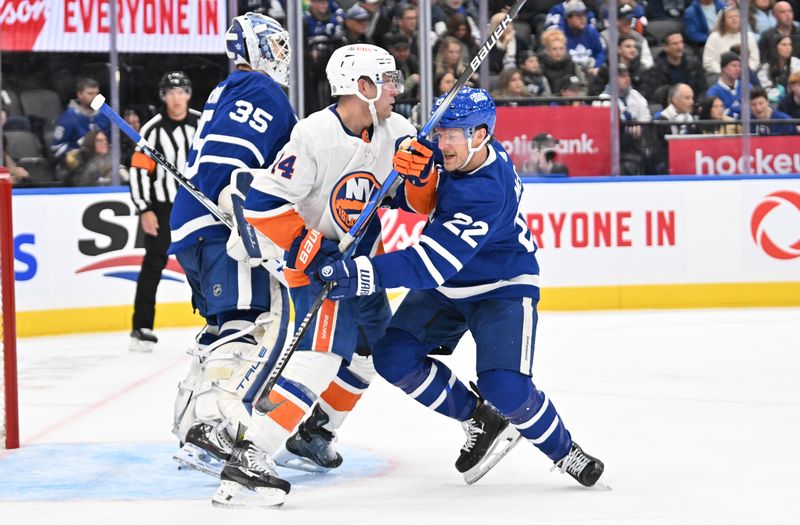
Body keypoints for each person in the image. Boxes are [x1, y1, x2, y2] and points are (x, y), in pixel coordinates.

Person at [315, 87, 605, 488]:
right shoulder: (464, 152)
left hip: (501, 285)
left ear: (482, 134)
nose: (442, 142)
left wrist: (360, 273)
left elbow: (428, 264)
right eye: (441, 132)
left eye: (454, 134)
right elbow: (422, 194)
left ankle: (564, 451)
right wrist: (417, 171)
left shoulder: (485, 190)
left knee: (505, 386)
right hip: (451, 285)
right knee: (393, 357)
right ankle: (479, 419)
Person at [227, 44, 416, 508]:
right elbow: (261, 204)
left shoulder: (400, 131)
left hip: (358, 268)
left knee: (374, 353)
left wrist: (420, 177)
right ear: (362, 87)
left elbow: (408, 200)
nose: (396, 88)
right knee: (320, 359)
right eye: (386, 79)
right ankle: (250, 458)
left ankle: (314, 432)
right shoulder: (312, 135)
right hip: (312, 267)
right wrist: (312, 249)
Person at [167, 13, 296, 505]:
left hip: (193, 224)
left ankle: (194, 420)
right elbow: (235, 156)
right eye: (277, 46)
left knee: (224, 327)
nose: (283, 56)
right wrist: (237, 203)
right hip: (221, 222)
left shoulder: (231, 88)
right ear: (257, 48)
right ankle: (208, 426)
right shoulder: (263, 92)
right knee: (247, 324)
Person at [127, 72, 201, 352]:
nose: (176, 98)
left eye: (181, 92)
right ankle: (141, 327)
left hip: (197, 205)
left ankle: (217, 321)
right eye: (170, 92)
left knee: (206, 263)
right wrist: (144, 209)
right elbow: (138, 171)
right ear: (163, 97)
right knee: (153, 264)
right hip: (163, 207)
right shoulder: (153, 129)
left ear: (189, 94)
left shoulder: (202, 123)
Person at [51, 77, 112, 168]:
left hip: (102, 163)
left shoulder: (104, 116)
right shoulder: (68, 118)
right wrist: (78, 155)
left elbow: (111, 142)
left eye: (96, 93)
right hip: (76, 168)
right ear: (79, 95)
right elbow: (56, 148)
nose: (94, 97)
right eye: (90, 93)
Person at [640, 31, 707, 104]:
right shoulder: (655, 70)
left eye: (681, 42)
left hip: (692, 105)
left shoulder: (694, 65)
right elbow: (653, 96)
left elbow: (703, 90)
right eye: (675, 43)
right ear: (665, 47)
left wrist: (698, 104)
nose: (680, 46)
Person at [702, 6, 760, 74]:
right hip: (720, 75)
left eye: (736, 16)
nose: (734, 19)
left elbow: (754, 59)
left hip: (746, 74)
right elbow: (708, 62)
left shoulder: (749, 36)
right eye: (730, 17)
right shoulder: (714, 37)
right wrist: (726, 71)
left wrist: (745, 70)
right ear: (723, 21)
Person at [562, 0, 606, 76]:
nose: (582, 18)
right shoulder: (561, 35)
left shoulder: (591, 31)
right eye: (578, 15)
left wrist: (597, 66)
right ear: (568, 18)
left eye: (584, 14)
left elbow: (600, 52)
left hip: (591, 72)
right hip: (570, 75)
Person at [538, 28, 587, 96]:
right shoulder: (540, 66)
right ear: (547, 50)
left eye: (561, 48)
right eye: (554, 49)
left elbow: (584, 87)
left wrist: (578, 98)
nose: (558, 52)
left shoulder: (572, 65)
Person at [758, 35, 800, 101]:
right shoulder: (766, 67)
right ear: (775, 47)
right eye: (784, 45)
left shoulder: (796, 63)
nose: (788, 47)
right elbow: (765, 88)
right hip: (772, 100)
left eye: (790, 45)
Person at [706, 51, 747, 117]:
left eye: (739, 66)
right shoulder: (713, 92)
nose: (738, 69)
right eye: (733, 66)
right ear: (724, 68)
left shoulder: (747, 87)